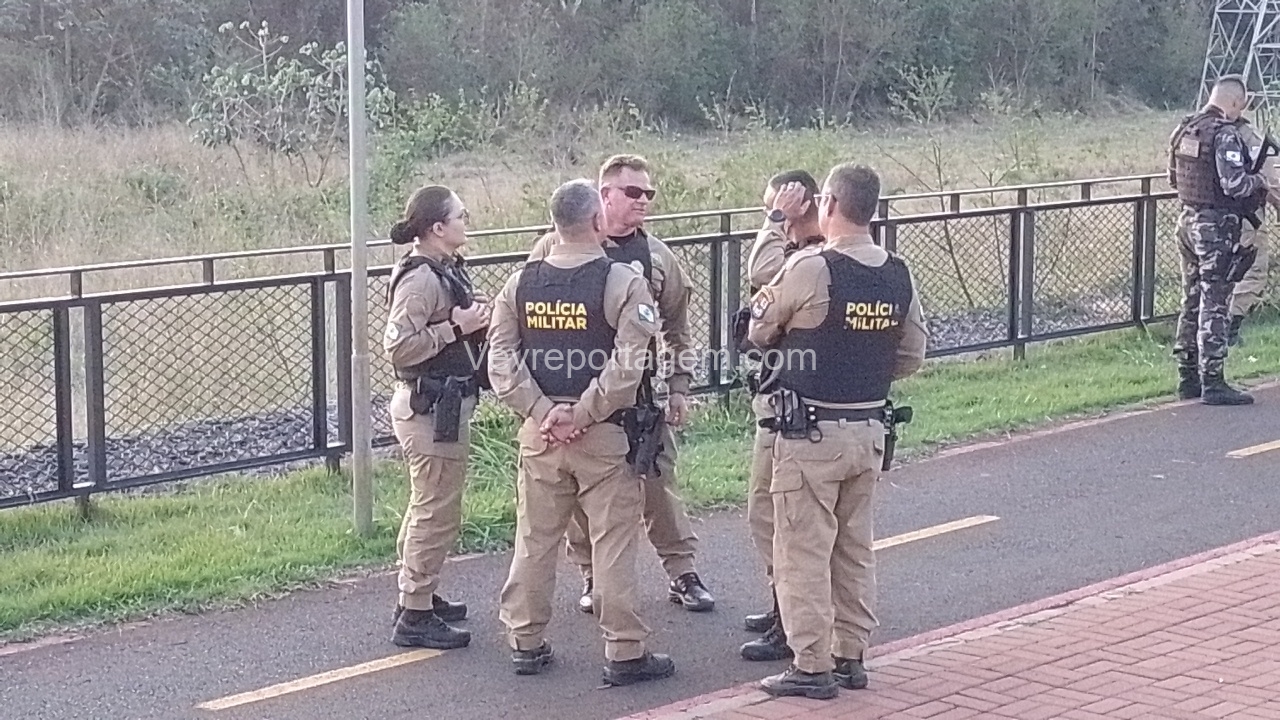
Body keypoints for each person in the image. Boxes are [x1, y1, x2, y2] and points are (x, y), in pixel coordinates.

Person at [746, 163, 927, 699]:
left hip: (810, 434)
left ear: (828, 204)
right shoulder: (897, 272)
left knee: (801, 550)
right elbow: (912, 353)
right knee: (854, 547)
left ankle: (811, 665)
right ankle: (851, 656)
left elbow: (759, 328)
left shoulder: (811, 267)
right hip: (868, 429)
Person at [488, 178, 676, 685]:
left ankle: (525, 640)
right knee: (613, 544)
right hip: (606, 438)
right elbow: (629, 365)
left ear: (554, 224)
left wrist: (543, 410)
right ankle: (625, 651)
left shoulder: (519, 284)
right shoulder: (623, 282)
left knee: (534, 540)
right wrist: (584, 413)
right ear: (597, 221)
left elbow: (501, 362)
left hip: (540, 437)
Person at [526, 154, 714, 615]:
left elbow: (677, 328)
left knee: (659, 485)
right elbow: (529, 313)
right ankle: (592, 575)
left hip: (635, 397)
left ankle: (683, 572)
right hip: (568, 396)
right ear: (603, 196)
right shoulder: (553, 246)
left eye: (648, 193)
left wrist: (679, 386)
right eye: (633, 192)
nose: (643, 201)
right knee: (576, 501)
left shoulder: (657, 257)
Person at [383, 184, 492, 650]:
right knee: (435, 513)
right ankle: (415, 612)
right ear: (438, 227)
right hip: (429, 410)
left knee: (428, 506)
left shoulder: (442, 269)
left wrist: (473, 317)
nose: (466, 222)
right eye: (460, 216)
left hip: (439, 405)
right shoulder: (422, 279)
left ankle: (418, 593)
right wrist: (455, 328)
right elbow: (399, 347)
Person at [737, 171, 827, 664]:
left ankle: (791, 623)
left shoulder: (811, 256)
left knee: (780, 519)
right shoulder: (809, 254)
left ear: (801, 205)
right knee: (769, 516)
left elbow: (760, 271)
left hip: (796, 411)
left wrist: (776, 220)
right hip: (785, 402)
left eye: (776, 207)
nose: (769, 217)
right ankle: (784, 608)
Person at [1167, 75, 1275, 405]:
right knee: (1215, 302)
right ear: (1235, 102)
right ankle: (1213, 381)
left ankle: (1187, 377)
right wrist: (1260, 180)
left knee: (1191, 299)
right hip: (1215, 228)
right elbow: (1234, 185)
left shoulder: (1184, 129)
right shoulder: (1225, 134)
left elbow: (1173, 179)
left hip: (1187, 221)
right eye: (1241, 106)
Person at [1228, 114, 1278, 347]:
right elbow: (1270, 182)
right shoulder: (1246, 135)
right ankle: (1229, 328)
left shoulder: (1198, 129)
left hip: (1204, 220)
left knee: (1213, 275)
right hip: (1247, 218)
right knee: (1253, 271)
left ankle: (1201, 331)